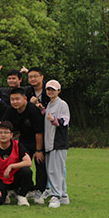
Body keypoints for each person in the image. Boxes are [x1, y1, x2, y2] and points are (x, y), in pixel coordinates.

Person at [1, 87, 46, 203]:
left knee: (40, 163)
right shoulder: (11, 110)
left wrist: (39, 150)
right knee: (21, 165)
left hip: (37, 140)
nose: (15, 102)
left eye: (17, 99)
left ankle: (39, 191)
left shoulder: (33, 110)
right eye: (12, 99)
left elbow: (39, 132)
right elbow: (5, 126)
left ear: (25, 98)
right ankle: (24, 188)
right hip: (23, 140)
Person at [39, 80, 70, 208]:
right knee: (54, 170)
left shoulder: (62, 104)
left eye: (53, 89)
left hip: (58, 142)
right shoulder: (50, 105)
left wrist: (54, 120)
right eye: (48, 89)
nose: (50, 91)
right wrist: (42, 110)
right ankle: (63, 195)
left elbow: (65, 121)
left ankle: (56, 195)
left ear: (59, 91)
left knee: (55, 170)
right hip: (49, 142)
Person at [0, 122, 33, 206]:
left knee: (27, 171)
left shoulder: (17, 145)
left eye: (6, 132)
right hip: (0, 178)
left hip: (14, 177)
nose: (3, 135)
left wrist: (11, 166)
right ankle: (5, 194)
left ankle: (22, 195)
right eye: (0, 132)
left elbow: (28, 162)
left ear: (11, 135)